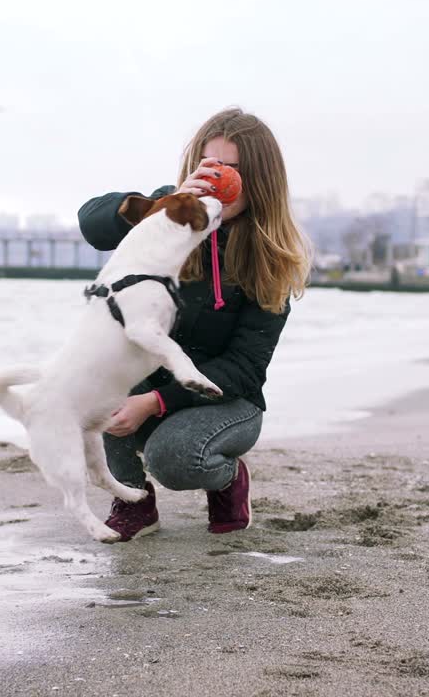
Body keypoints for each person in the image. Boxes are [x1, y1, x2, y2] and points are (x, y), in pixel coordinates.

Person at [76, 108, 312, 540]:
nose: (221, 180)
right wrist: (168, 206)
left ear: (259, 179)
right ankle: (134, 502)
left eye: (234, 170)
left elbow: (244, 367)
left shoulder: (269, 259)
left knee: (175, 458)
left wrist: (154, 403)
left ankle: (227, 480)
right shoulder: (170, 212)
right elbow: (91, 222)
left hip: (228, 401)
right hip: (153, 382)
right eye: (212, 166)